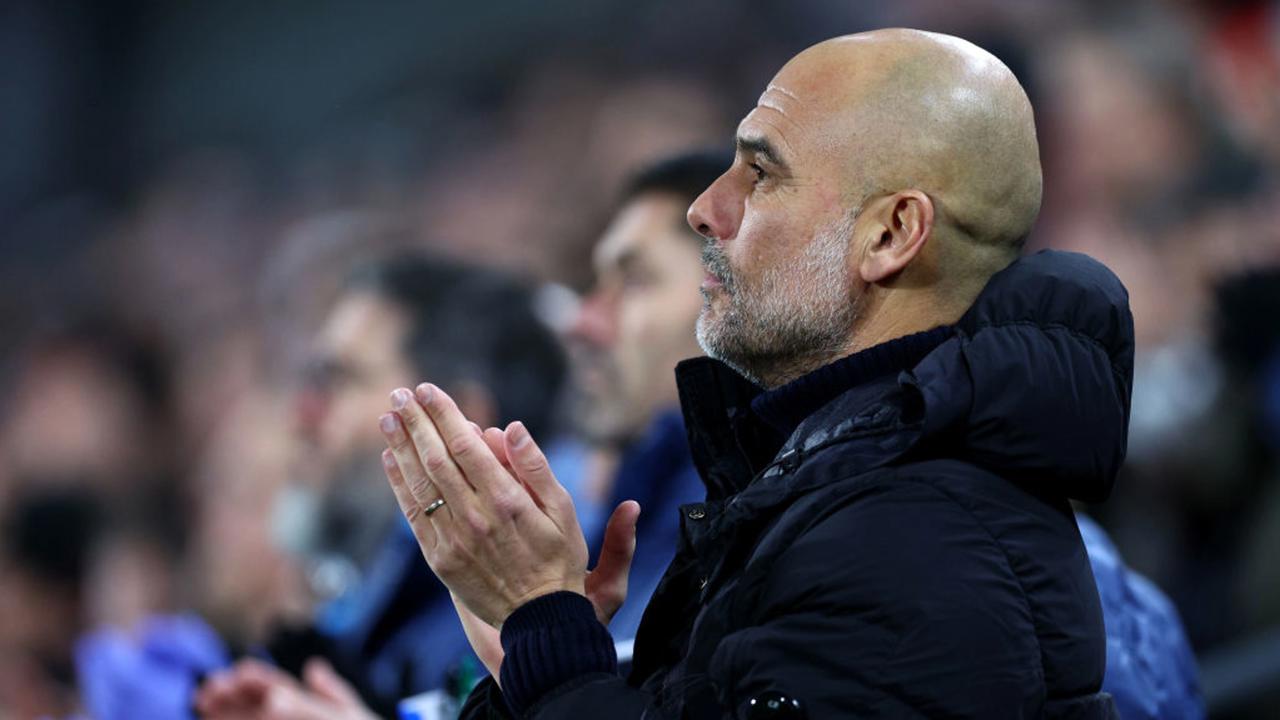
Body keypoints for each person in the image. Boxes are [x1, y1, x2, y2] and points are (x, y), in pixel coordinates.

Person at [378, 28, 1132, 718]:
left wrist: (545, 624)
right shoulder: (823, 495)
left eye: (762, 172)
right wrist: (537, 660)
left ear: (893, 233)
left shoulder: (912, 538)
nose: (706, 209)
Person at [198, 253, 571, 719]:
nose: (303, 416)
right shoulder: (371, 620)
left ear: (456, 418)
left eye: (342, 380)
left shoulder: (515, 633)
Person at [564, 150, 731, 646]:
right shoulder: (640, 506)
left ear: (733, 292)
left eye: (634, 281)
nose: (585, 322)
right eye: (596, 285)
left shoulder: (755, 535)